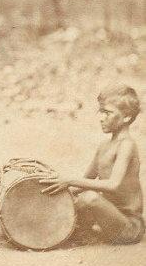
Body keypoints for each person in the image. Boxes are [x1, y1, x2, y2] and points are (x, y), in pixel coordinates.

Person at [40, 83, 144, 245]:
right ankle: (77, 230)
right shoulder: (104, 146)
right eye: (101, 112)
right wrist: (54, 193)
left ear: (126, 117)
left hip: (129, 227)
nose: (102, 117)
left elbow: (113, 185)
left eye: (108, 113)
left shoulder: (127, 145)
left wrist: (69, 181)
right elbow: (84, 181)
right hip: (108, 220)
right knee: (78, 197)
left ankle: (79, 230)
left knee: (89, 198)